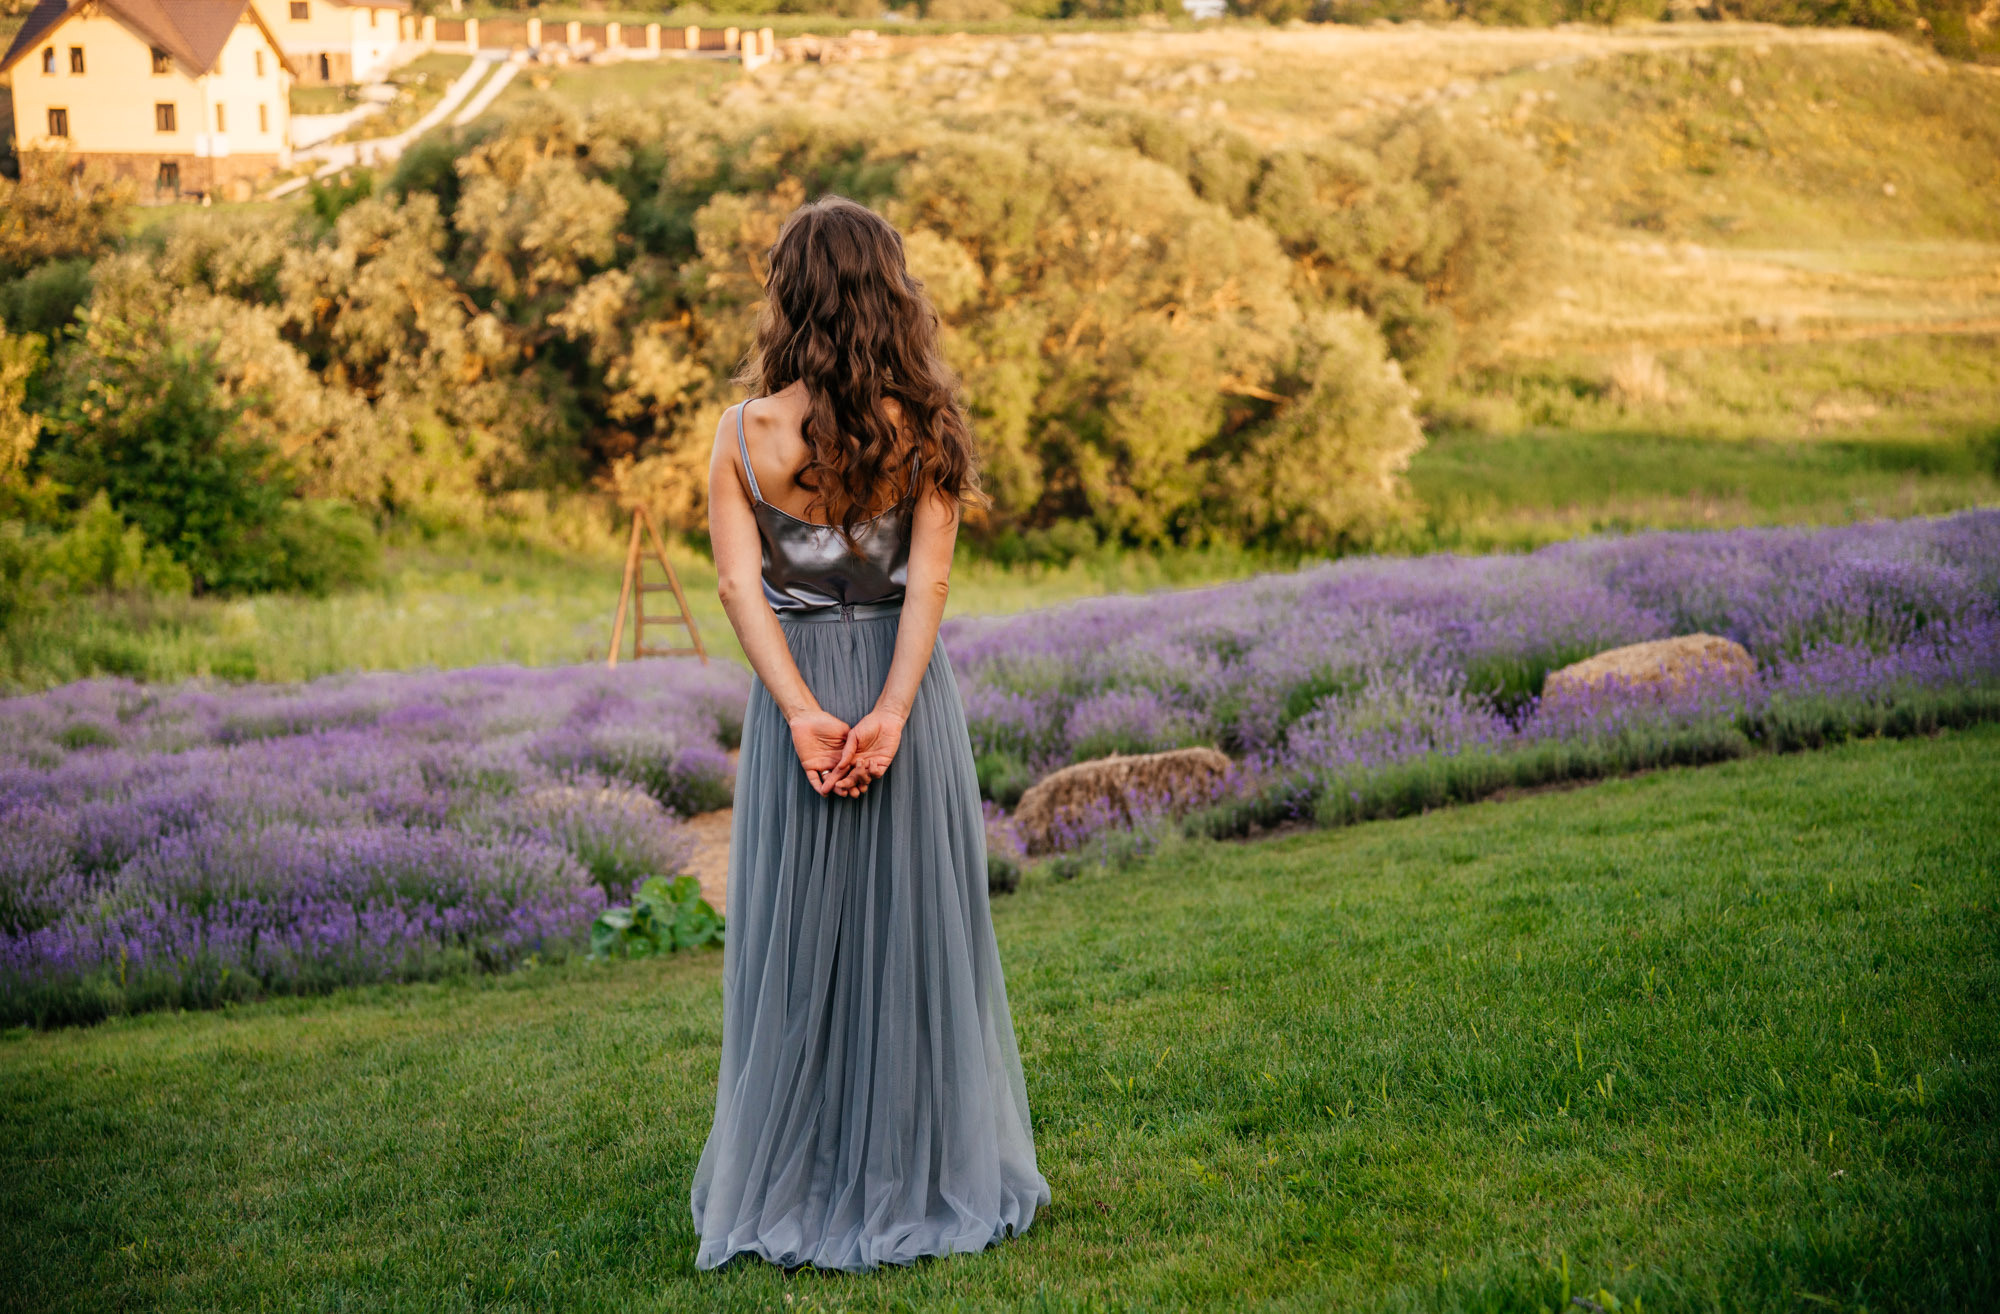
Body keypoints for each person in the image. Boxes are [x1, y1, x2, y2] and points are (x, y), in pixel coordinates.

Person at [690, 196, 1050, 1272]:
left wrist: (803, 711)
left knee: (797, 948)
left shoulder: (741, 434)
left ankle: (796, 1177)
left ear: (788, 295)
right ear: (891, 291)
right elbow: (927, 582)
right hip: (903, 693)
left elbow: (734, 582)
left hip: (799, 696)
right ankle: (917, 1163)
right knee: (914, 940)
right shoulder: (926, 424)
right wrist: (889, 714)